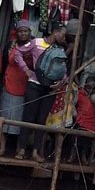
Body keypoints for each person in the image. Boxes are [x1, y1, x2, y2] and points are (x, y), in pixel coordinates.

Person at [0, 20, 47, 157]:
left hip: (27, 84)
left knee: (22, 119)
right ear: (17, 32)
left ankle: (20, 149)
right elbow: (4, 62)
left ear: (30, 32)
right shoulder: (10, 45)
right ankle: (2, 147)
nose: (23, 33)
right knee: (5, 116)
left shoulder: (35, 46)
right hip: (9, 82)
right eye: (20, 31)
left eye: (25, 31)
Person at [20, 25, 68, 162]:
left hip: (50, 88)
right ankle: (22, 149)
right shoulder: (37, 42)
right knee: (28, 116)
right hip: (34, 84)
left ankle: (35, 152)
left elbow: (65, 71)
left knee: (42, 119)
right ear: (55, 32)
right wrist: (26, 69)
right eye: (63, 35)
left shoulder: (61, 50)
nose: (63, 38)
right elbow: (18, 52)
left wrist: (61, 83)